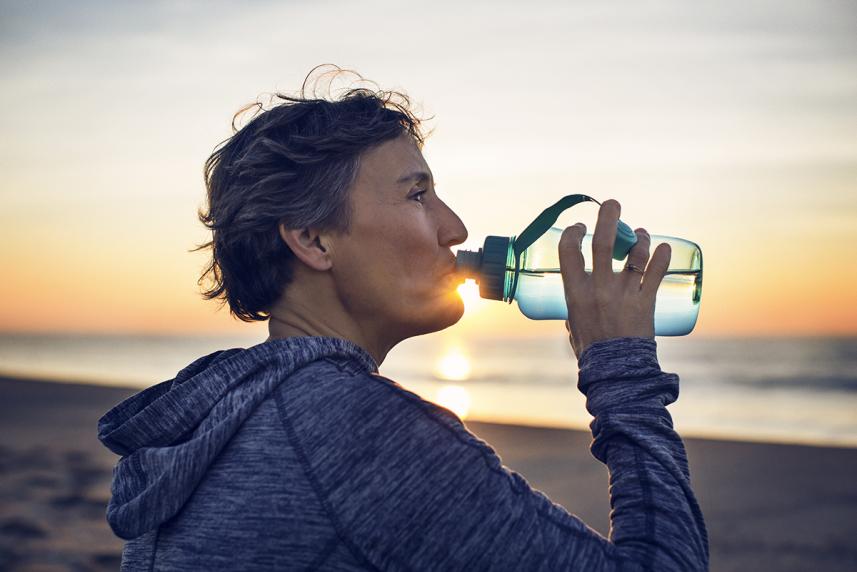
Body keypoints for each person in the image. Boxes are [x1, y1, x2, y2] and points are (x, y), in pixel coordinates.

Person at [98, 68, 709, 571]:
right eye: (417, 195)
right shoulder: (351, 429)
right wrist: (620, 366)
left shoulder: (230, 415)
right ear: (313, 239)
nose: (457, 229)